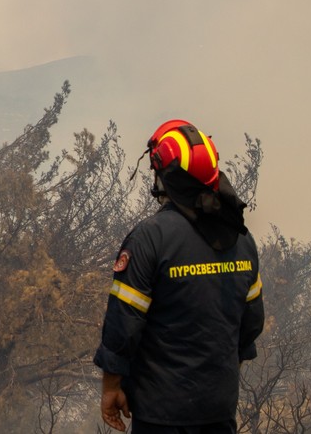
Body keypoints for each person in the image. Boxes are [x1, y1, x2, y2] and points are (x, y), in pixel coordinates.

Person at [94, 120, 265, 433]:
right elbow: (250, 324)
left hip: (161, 414)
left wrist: (110, 387)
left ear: (165, 175)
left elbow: (123, 322)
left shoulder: (150, 238)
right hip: (219, 411)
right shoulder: (243, 239)